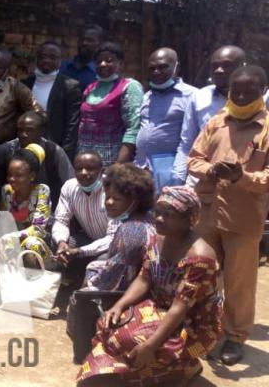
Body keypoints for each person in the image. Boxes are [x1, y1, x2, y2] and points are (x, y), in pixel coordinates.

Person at [77, 187, 221, 387]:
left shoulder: (200, 258)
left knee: (135, 341)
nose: (159, 219)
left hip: (193, 321)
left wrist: (150, 346)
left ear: (189, 219)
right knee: (107, 323)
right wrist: (118, 306)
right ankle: (140, 371)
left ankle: (180, 370)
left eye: (168, 215)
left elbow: (181, 307)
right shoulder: (157, 239)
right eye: (158, 212)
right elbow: (144, 279)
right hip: (159, 306)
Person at [188, 65, 269, 365]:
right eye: (237, 90)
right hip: (207, 215)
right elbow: (194, 158)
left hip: (244, 220)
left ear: (262, 91)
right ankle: (200, 329)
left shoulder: (267, 130)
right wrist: (210, 169)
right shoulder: (216, 122)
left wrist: (242, 177)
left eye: (250, 90)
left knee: (239, 283)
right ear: (229, 91)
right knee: (201, 275)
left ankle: (235, 338)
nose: (243, 95)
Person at [173, 45, 247, 185]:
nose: (219, 70)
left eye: (227, 65)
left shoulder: (261, 99)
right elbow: (187, 142)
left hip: (242, 185)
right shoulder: (199, 97)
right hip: (201, 182)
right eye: (215, 66)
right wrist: (178, 179)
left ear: (243, 67)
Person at [83, 163, 156, 291]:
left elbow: (114, 280)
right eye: (107, 196)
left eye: (116, 198)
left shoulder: (129, 231)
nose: (109, 203)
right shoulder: (148, 219)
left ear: (135, 201)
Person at [51, 151, 119, 286]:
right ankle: (68, 282)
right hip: (89, 239)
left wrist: (79, 252)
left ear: (101, 171)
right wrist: (61, 243)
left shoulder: (112, 191)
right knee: (59, 243)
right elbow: (61, 221)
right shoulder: (69, 187)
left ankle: (89, 297)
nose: (83, 172)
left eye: (90, 168)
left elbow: (112, 239)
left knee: (103, 258)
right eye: (79, 169)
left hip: (113, 245)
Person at [134, 48, 198, 190]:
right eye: (152, 68)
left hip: (172, 171)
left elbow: (193, 138)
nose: (156, 72)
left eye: (162, 67)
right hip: (141, 168)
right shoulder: (147, 96)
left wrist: (179, 174)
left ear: (176, 67)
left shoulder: (192, 96)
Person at [0, 111, 74, 210]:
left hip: (48, 212)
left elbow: (71, 185)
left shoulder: (54, 152)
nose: (24, 134)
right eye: (20, 130)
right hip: (12, 213)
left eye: (30, 130)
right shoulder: (3, 153)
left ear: (41, 131)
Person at [76, 42, 144, 167]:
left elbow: (133, 129)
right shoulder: (90, 88)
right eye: (99, 61)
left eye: (109, 60)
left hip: (111, 161)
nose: (103, 64)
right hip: (85, 160)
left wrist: (118, 165)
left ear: (121, 64)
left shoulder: (129, 87)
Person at [22, 41, 82, 159]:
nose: (47, 60)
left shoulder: (70, 86)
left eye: (52, 57)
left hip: (55, 149)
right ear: (37, 58)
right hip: (27, 147)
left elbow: (72, 125)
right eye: (43, 57)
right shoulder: (25, 84)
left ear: (60, 61)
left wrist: (65, 155)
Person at [0, 144, 53, 261]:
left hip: (40, 248)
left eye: (18, 175)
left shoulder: (42, 191)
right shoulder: (7, 192)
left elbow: (38, 229)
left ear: (32, 176)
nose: (12, 179)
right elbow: (5, 225)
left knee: (31, 244)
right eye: (10, 175)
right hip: (14, 244)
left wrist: (8, 238)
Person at [59, 24, 104, 92]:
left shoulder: (100, 74)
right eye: (82, 39)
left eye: (90, 40)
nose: (84, 43)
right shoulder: (63, 66)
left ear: (99, 44)